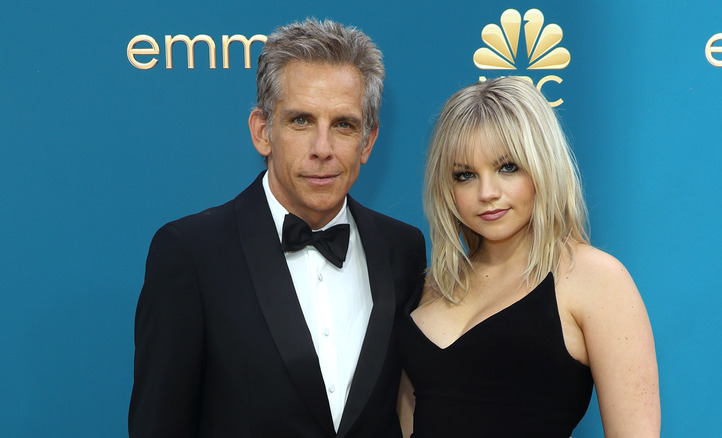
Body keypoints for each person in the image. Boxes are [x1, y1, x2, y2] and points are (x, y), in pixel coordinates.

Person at [129, 19, 426, 438]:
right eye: (301, 121)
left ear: (368, 141)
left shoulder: (403, 248)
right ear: (262, 131)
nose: (323, 149)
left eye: (343, 125)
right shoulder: (191, 253)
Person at [396, 77, 660, 437]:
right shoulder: (434, 281)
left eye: (507, 167)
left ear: (543, 166)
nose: (487, 192)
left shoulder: (593, 278)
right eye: (465, 175)